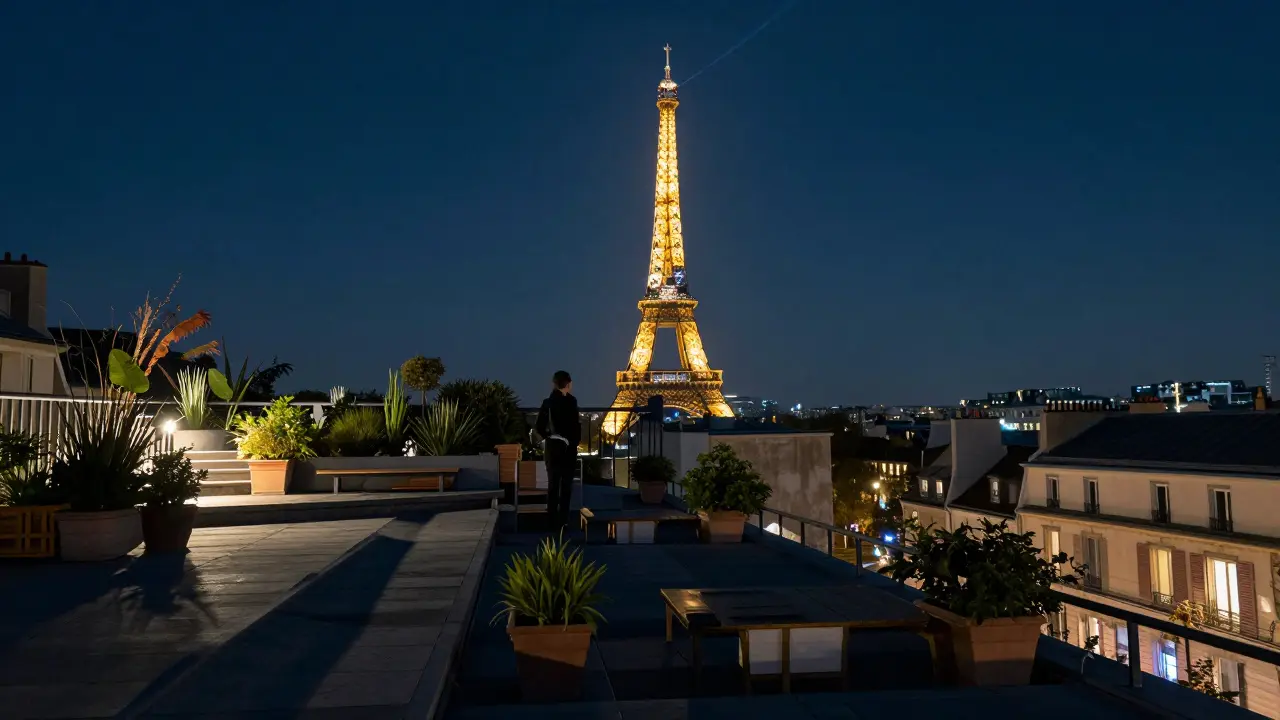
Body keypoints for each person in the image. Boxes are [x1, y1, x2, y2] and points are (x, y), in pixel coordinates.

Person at [536, 370, 580, 531]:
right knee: (566, 485)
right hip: (568, 449)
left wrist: (550, 436)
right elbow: (575, 426)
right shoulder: (572, 402)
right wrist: (572, 442)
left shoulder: (547, 402)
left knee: (553, 485)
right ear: (568, 384)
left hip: (552, 448)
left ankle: (551, 520)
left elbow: (539, 426)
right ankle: (564, 521)